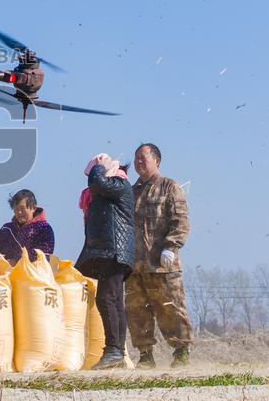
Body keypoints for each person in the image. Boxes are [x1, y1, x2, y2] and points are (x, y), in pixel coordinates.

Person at [128, 143, 194, 368]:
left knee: (170, 307)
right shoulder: (130, 191)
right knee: (137, 311)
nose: (138, 162)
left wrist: (171, 247)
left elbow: (181, 222)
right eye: (136, 158)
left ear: (156, 160)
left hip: (163, 264)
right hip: (135, 265)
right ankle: (145, 355)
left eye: (143, 158)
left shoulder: (170, 187)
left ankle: (181, 353)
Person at [74, 154, 135, 370]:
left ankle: (114, 351)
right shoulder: (110, 188)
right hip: (109, 251)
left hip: (114, 251)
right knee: (114, 300)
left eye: (98, 169)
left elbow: (96, 182)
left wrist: (100, 167)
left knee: (106, 299)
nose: (92, 173)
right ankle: (116, 351)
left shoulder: (118, 183)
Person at [0, 189, 54, 265]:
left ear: (34, 208)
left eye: (22, 208)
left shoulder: (44, 228)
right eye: (16, 209)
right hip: (5, 274)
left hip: (33, 274)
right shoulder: (7, 229)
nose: (19, 212)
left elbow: (44, 253)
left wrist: (16, 260)